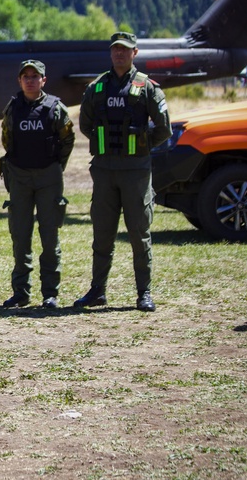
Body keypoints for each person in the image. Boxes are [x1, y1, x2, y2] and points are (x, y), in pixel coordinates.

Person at [75, 32, 171, 312]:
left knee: (139, 235)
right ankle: (97, 291)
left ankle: (144, 293)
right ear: (110, 53)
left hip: (136, 172)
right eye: (115, 49)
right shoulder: (97, 87)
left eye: (125, 50)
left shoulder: (147, 87)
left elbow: (163, 128)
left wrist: (142, 144)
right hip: (104, 171)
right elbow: (85, 124)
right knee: (102, 234)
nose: (119, 54)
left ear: (135, 53)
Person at [0, 60, 75, 309]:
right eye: (25, 76)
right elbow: (7, 139)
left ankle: (50, 293)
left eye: (35, 76)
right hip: (20, 177)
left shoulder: (55, 107)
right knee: (20, 236)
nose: (30, 80)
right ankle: (21, 292)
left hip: (48, 178)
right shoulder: (13, 107)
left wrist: (54, 168)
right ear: (19, 80)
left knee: (49, 236)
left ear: (44, 80)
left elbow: (67, 139)